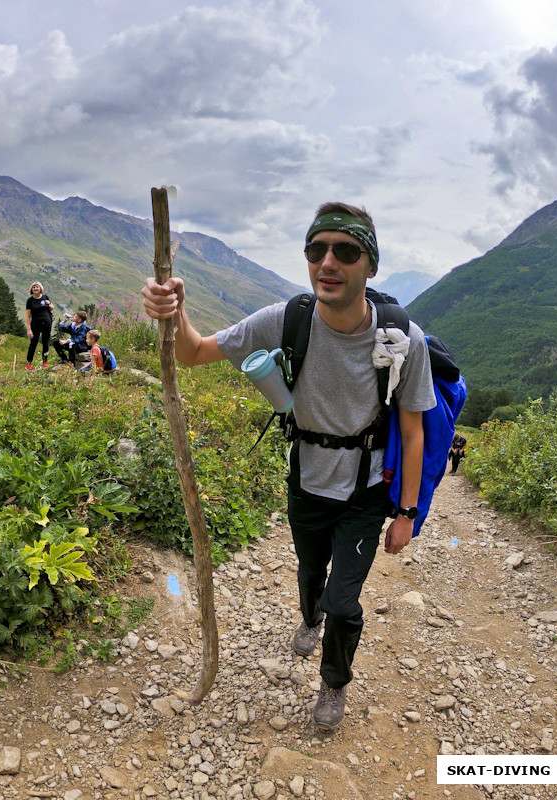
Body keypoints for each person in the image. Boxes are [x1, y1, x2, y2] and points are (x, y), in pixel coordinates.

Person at [141, 202, 436, 731]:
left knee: (344, 603)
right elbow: (193, 353)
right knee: (309, 574)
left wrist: (408, 513)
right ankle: (308, 617)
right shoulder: (287, 319)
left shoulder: (403, 341)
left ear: (370, 266)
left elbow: (413, 432)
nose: (328, 261)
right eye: (316, 250)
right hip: (306, 483)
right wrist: (174, 309)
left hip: (367, 494)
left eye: (345, 251)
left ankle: (334, 683)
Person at [25, 281, 54, 370]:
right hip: (35, 324)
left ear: (40, 288)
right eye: (33, 287)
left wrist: (49, 303)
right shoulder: (30, 301)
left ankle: (45, 361)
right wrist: (29, 329)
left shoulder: (45, 297)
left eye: (37, 287)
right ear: (31, 290)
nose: (35, 289)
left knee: (46, 342)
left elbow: (52, 307)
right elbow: (27, 316)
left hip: (47, 322)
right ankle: (29, 363)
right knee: (33, 343)